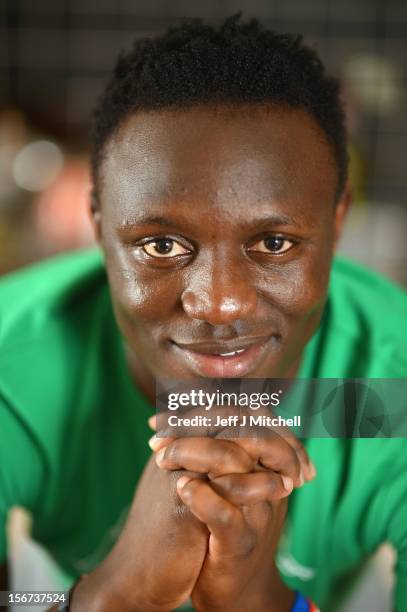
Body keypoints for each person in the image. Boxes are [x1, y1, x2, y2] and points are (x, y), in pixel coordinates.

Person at [0, 13, 406, 612]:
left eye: (274, 244)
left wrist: (262, 601)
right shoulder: (14, 365)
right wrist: (107, 598)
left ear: (338, 220)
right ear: (97, 225)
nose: (220, 306)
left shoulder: (387, 392)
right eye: (161, 246)